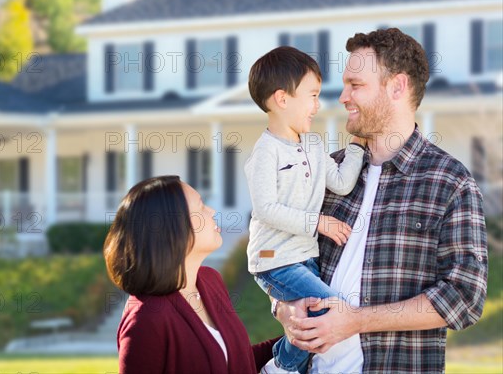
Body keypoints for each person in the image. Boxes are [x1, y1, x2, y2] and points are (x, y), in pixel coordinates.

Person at [272, 28, 488, 374]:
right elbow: (279, 253)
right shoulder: (326, 173)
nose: (342, 96)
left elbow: (465, 297)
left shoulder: (449, 182)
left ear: (397, 87)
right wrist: (284, 307)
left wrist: (356, 321)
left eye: (355, 85)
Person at [245, 46, 366, 373]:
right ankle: (279, 367)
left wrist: (356, 146)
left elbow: (340, 182)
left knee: (310, 318)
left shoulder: (312, 144)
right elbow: (267, 209)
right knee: (332, 311)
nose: (318, 105)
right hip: (274, 260)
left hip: (305, 257)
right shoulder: (266, 153)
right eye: (312, 96)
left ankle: (286, 367)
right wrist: (318, 222)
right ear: (282, 99)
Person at [103, 175, 280, 374]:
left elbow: (236, 361)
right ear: (173, 227)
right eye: (201, 206)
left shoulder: (210, 280)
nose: (212, 211)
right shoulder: (145, 320)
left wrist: (298, 339)